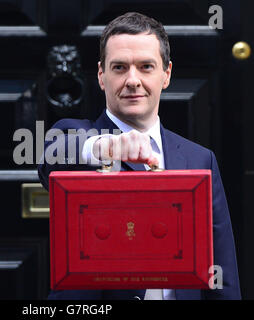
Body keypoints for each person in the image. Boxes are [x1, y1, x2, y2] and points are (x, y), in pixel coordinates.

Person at [38, 12, 241, 300]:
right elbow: (53, 154)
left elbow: (222, 270)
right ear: (101, 75)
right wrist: (104, 148)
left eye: (146, 67)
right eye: (119, 67)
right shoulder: (77, 137)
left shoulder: (200, 159)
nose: (132, 80)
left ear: (166, 74)